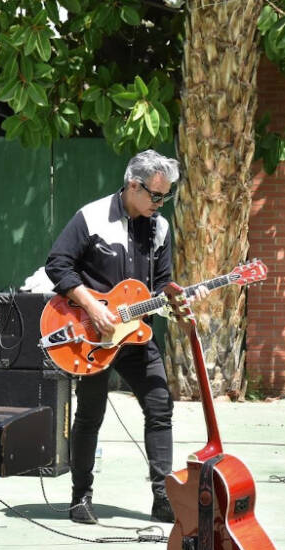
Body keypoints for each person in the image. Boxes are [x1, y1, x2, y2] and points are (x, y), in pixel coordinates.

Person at [45, 149, 179, 524]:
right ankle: (80, 498)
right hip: (92, 337)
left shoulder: (161, 228)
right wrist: (92, 307)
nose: (161, 202)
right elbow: (57, 263)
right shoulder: (91, 217)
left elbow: (162, 284)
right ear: (132, 186)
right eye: (155, 195)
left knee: (160, 408)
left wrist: (175, 299)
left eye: (166, 195)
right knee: (90, 414)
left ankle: (162, 498)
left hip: (136, 335)